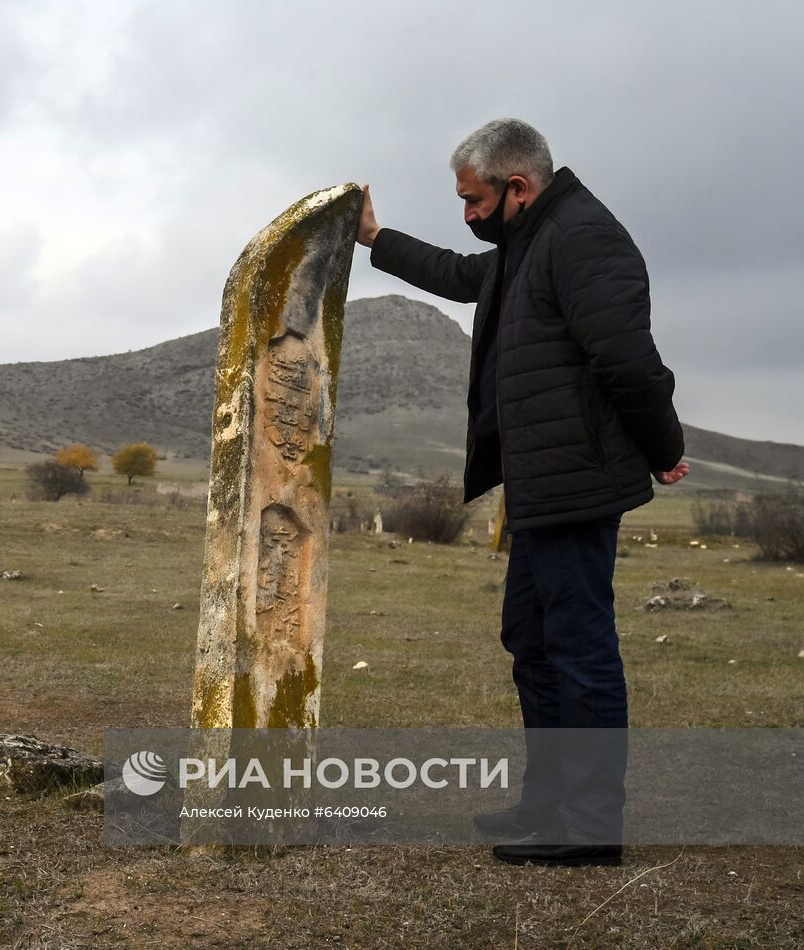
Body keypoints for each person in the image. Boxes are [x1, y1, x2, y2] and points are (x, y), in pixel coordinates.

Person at [357, 118, 688, 867]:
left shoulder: (582, 239)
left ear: (518, 186)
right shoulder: (523, 246)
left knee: (579, 650)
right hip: (540, 486)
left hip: (576, 482)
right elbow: (456, 275)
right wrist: (374, 238)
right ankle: (548, 804)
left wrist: (664, 449)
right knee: (532, 643)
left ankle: (591, 824)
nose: (468, 216)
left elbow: (629, 362)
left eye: (474, 200)